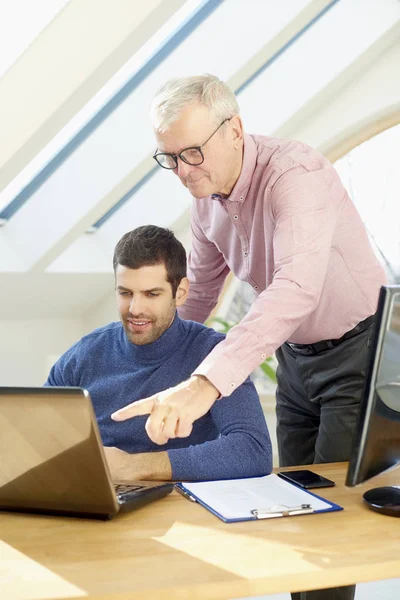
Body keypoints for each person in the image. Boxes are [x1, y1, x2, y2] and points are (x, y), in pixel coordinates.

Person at [111, 75, 387, 600]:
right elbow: (198, 298)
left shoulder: (295, 175)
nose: (183, 171)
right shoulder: (205, 202)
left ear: (234, 130)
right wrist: (154, 366)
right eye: (168, 158)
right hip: (295, 359)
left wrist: (205, 384)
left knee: (335, 520)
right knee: (295, 502)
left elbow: (295, 288)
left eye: (192, 152)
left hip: (360, 351)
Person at [45, 225, 272, 483]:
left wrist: (135, 466)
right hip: (94, 494)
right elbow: (35, 430)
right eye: (125, 293)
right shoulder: (85, 354)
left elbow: (253, 449)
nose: (135, 308)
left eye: (151, 294)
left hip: (177, 506)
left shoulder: (214, 354)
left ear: (181, 292)